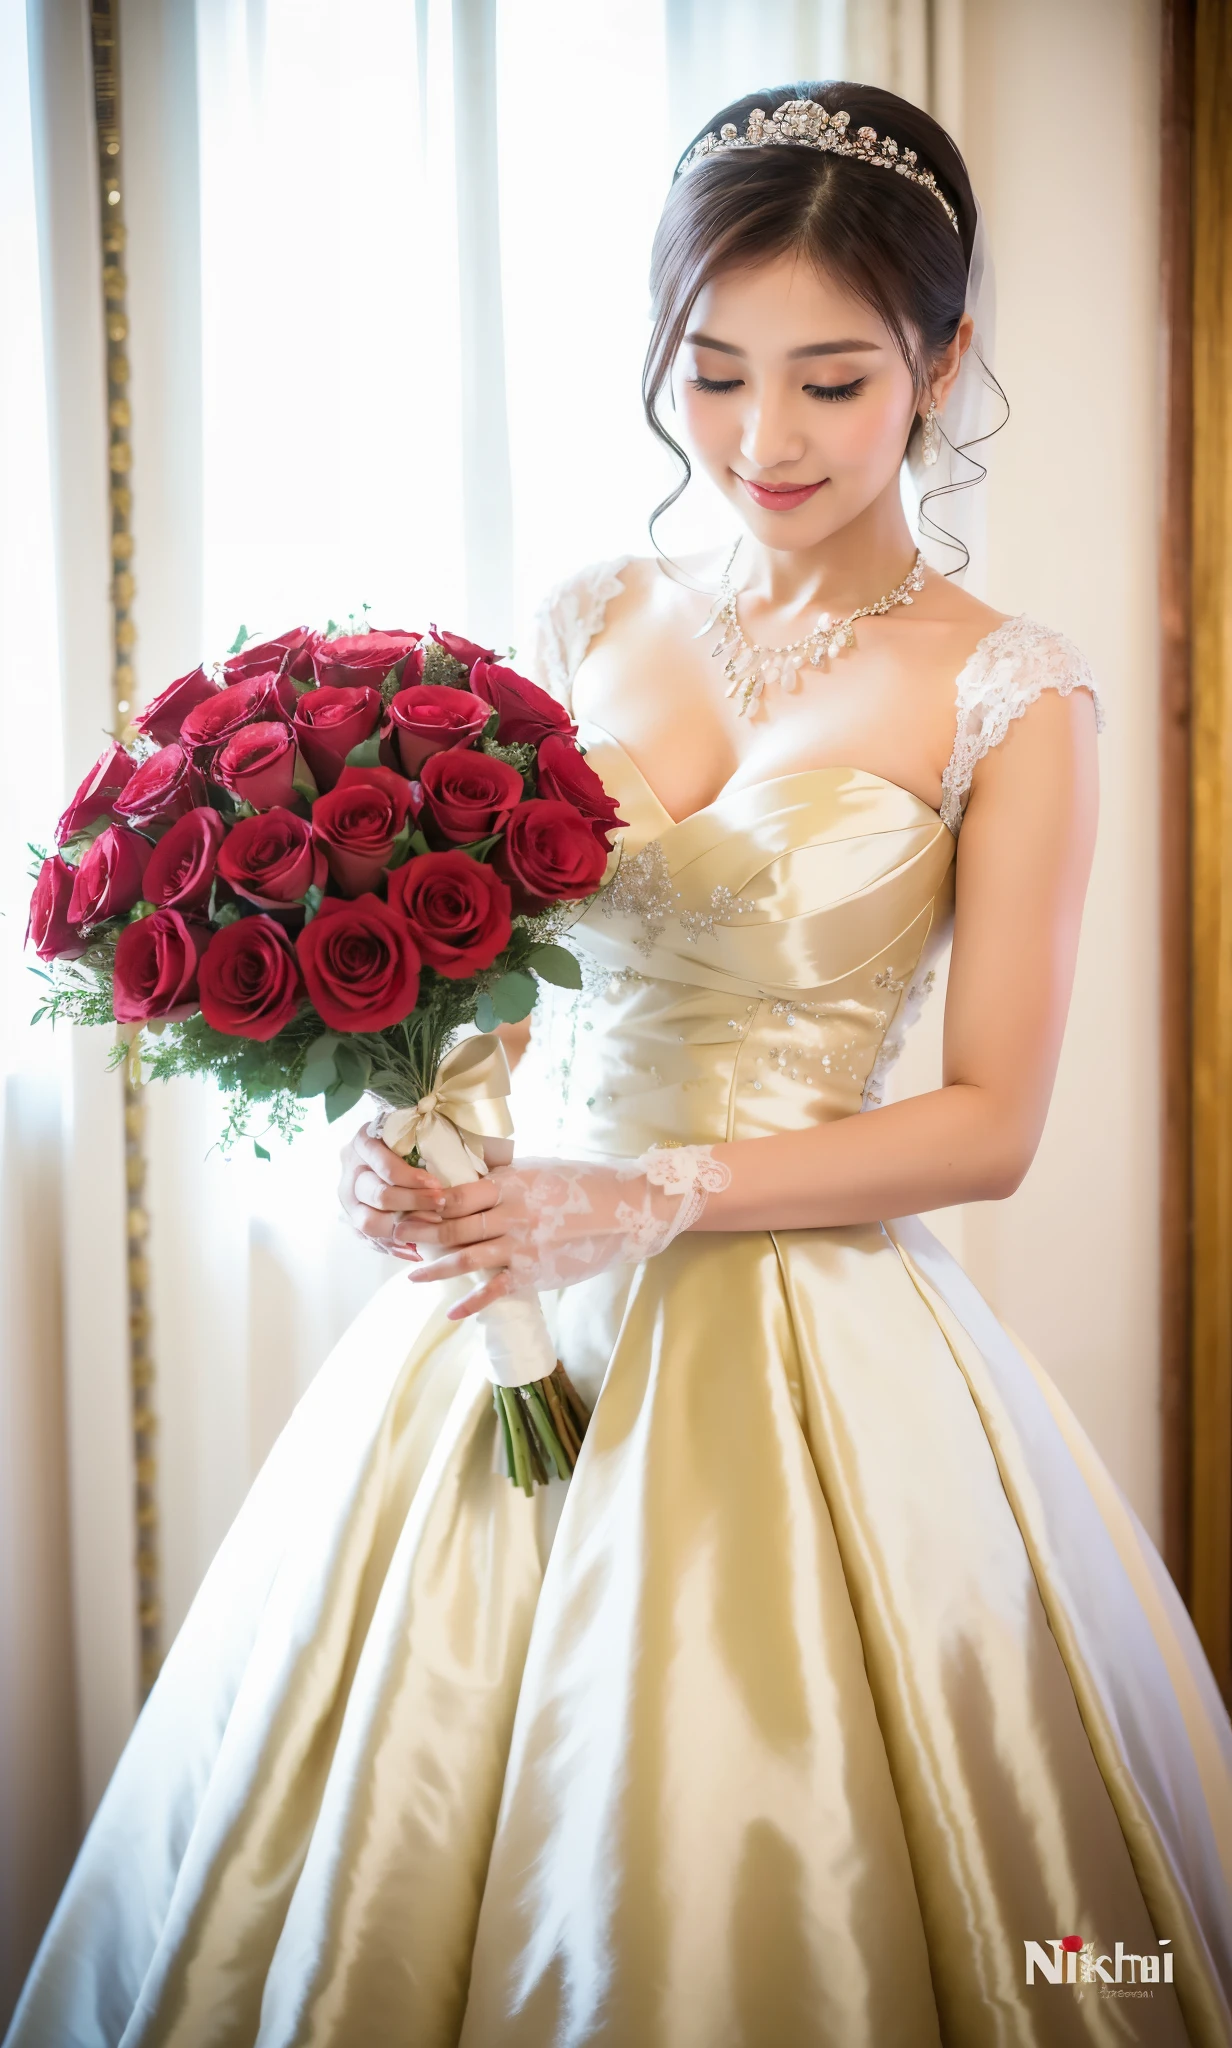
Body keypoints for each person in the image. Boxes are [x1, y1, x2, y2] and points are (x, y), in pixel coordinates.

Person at [9, 80, 1231, 2048]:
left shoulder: (1012, 686)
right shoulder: (592, 614)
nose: (765, 439)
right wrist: (415, 1125)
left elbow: (992, 1125)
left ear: (943, 358)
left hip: (804, 1332)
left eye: (833, 380)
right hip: (516, 1316)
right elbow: (495, 972)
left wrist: (646, 1193)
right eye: (713, 370)